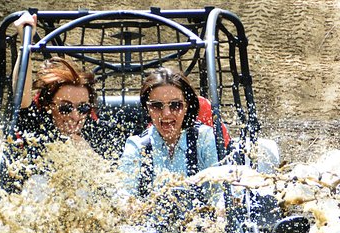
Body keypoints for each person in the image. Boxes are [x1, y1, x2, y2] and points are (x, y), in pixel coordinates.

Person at [12, 12, 126, 160]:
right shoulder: (36, 124)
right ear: (48, 106)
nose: (75, 115)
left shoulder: (97, 130)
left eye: (83, 107)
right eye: (65, 108)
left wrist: (87, 155)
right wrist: (25, 43)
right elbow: (22, 96)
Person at [118, 67, 220, 200]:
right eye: (157, 106)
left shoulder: (204, 139)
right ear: (147, 109)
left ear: (187, 106)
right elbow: (123, 194)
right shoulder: (137, 146)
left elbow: (220, 192)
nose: (166, 113)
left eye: (175, 105)